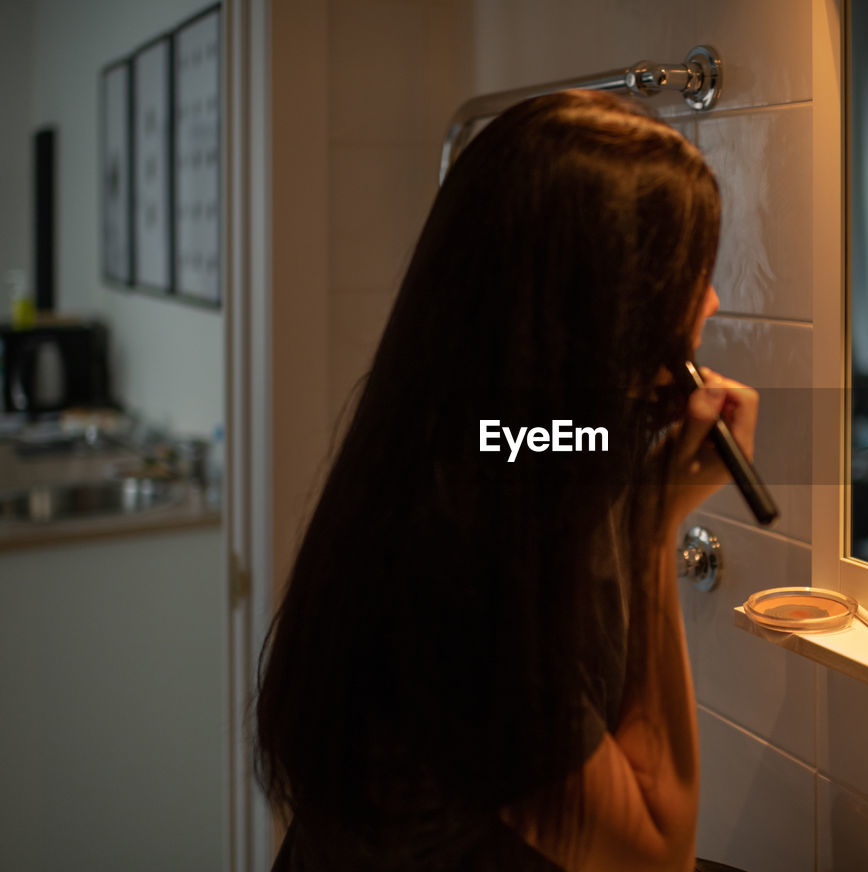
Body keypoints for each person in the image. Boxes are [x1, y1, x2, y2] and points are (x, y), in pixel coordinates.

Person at [255, 90, 758, 871]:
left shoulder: (463, 440)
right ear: (608, 299)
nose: (712, 300)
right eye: (690, 273)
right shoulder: (464, 558)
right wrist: (656, 524)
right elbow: (656, 856)